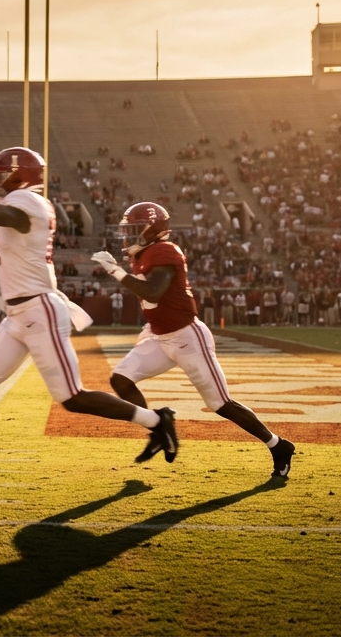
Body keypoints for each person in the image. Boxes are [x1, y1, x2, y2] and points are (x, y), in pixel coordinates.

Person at [0, 136, 177, 494]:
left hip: (39, 310)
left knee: (72, 398)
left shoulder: (30, 203)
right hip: (18, 314)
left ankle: (155, 420)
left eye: (2, 174)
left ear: (20, 177)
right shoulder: (22, 200)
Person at [94, 202, 294, 477]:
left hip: (187, 337)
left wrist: (116, 272)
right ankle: (157, 427)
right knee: (121, 379)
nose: (130, 235)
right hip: (158, 336)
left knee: (221, 404)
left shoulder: (164, 250)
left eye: (136, 229)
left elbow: (153, 292)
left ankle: (278, 445)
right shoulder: (142, 253)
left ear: (153, 229)